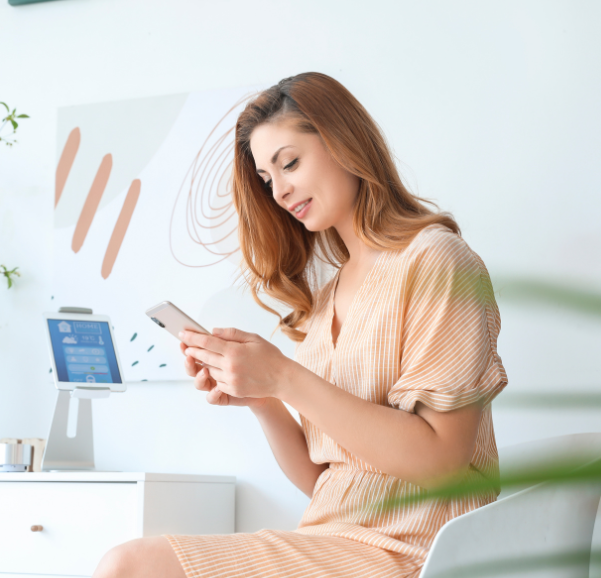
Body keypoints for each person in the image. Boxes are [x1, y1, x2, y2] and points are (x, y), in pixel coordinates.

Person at [94, 72, 508, 578]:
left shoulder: (436, 261)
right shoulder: (329, 295)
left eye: (289, 163)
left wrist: (287, 377)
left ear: (345, 142)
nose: (280, 191)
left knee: (130, 567)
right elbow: (325, 481)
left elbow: (441, 462)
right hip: (330, 538)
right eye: (268, 180)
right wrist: (265, 402)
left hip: (417, 552)